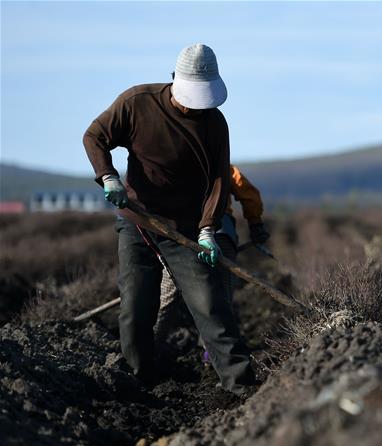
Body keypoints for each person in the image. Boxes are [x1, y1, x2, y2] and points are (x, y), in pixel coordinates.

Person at [83, 43, 257, 395]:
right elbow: (95, 136)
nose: (195, 106)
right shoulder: (137, 103)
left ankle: (243, 388)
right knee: (136, 304)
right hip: (138, 219)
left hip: (187, 228)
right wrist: (109, 177)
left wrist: (208, 229)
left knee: (209, 303)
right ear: (174, 79)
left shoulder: (214, 125)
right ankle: (140, 380)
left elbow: (220, 182)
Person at [156, 165, 270, 357]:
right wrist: (255, 223)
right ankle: (215, 354)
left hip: (181, 236)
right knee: (221, 297)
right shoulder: (223, 167)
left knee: (167, 296)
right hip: (220, 234)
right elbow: (249, 195)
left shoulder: (172, 163)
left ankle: (149, 345)